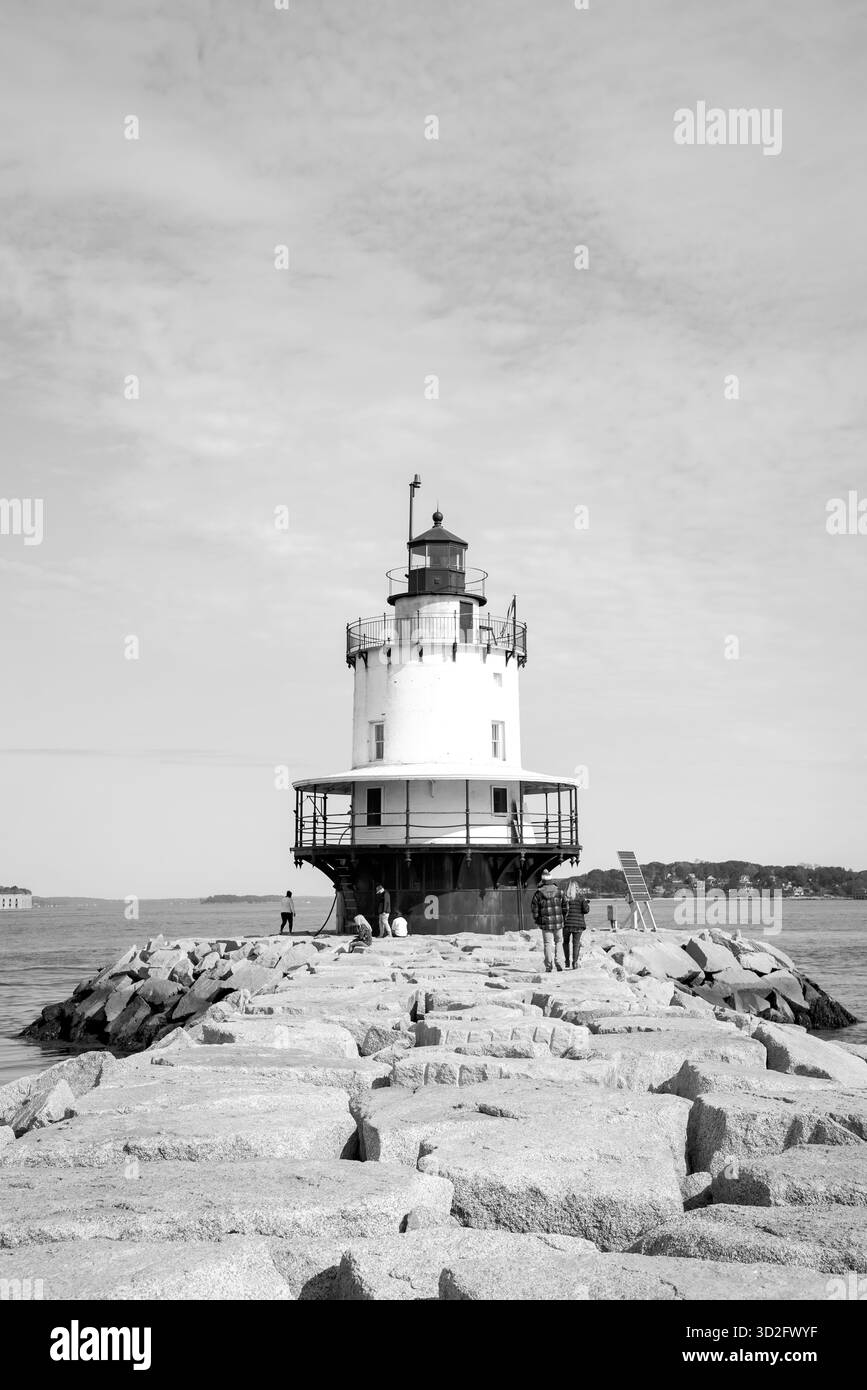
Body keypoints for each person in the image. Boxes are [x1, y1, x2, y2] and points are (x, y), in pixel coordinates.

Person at [530, 869, 565, 972]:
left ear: (543, 881)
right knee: (559, 941)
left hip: (545, 922)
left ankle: (549, 966)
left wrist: (537, 920)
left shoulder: (538, 893)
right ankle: (559, 962)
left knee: (547, 943)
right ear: (551, 880)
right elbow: (565, 906)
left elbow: (534, 909)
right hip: (558, 922)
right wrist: (563, 917)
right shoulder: (559, 891)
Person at [562, 879, 590, 968]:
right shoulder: (581, 898)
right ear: (577, 888)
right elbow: (586, 910)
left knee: (565, 942)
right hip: (578, 925)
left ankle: (567, 961)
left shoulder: (565, 898)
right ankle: (574, 963)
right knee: (576, 944)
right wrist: (586, 903)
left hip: (566, 924)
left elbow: (562, 911)